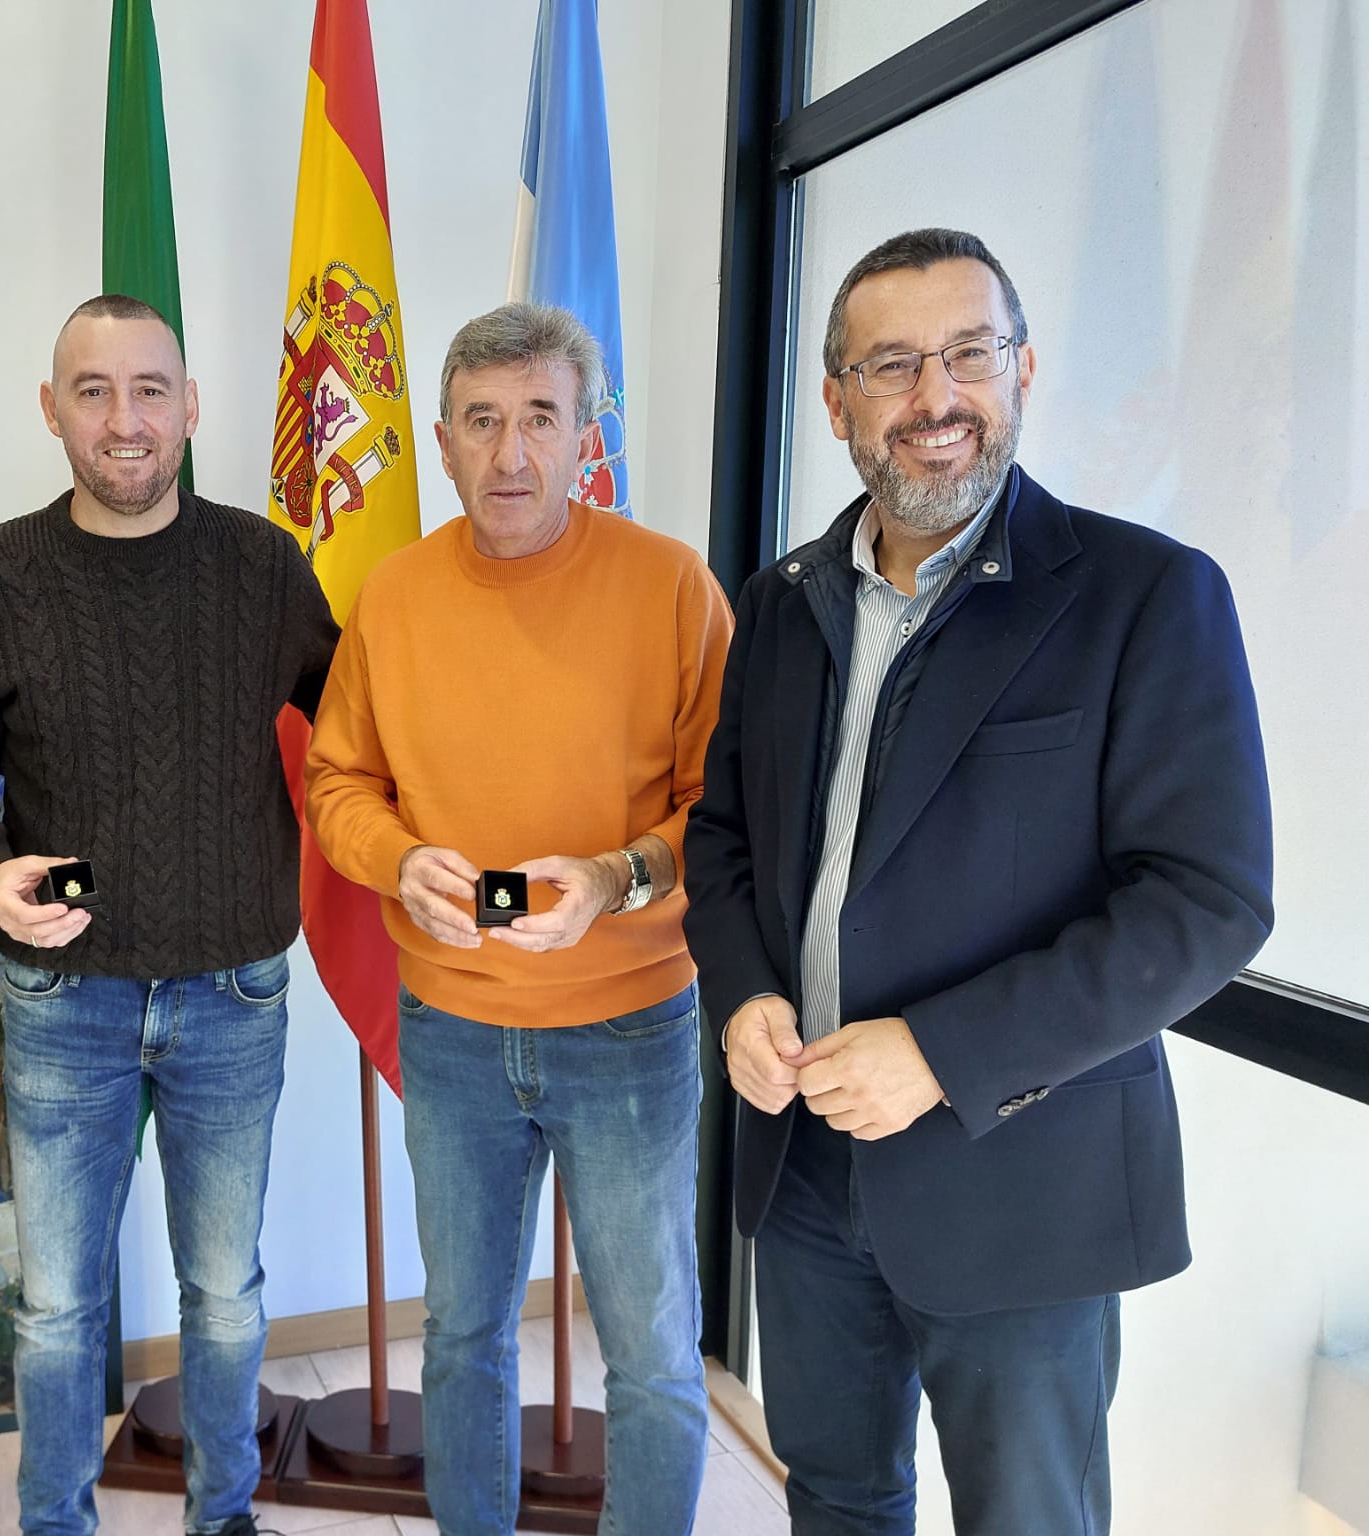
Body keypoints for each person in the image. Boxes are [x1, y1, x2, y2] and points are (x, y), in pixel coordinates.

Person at [682, 228, 1274, 1535]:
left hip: (1019, 1181)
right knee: (838, 1495)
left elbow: (1208, 897)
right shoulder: (783, 604)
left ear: (1023, 371)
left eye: (967, 353)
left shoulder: (1143, 597)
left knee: (1029, 1519)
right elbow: (721, 839)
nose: (934, 397)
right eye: (892, 364)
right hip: (805, 1169)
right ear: (836, 402)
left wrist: (944, 1053)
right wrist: (743, 999)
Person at [0, 294, 337, 1536]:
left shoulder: (264, 566)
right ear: (51, 412)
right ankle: (55, 1522)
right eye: (92, 392)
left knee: (222, 1292)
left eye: (151, 389)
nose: (125, 419)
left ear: (192, 407)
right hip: (64, 998)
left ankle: (224, 1516)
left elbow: (366, 720)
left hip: (233, 991)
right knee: (54, 1308)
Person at [303, 301, 734, 1536]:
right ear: (438, 441)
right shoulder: (391, 598)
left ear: (583, 434)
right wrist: (394, 861)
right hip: (447, 1029)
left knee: (651, 1351)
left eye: (538, 419)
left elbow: (729, 808)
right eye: (481, 423)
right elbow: (337, 783)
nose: (508, 456)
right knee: (463, 1335)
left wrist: (616, 878)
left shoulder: (669, 587)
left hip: (629, 1031)